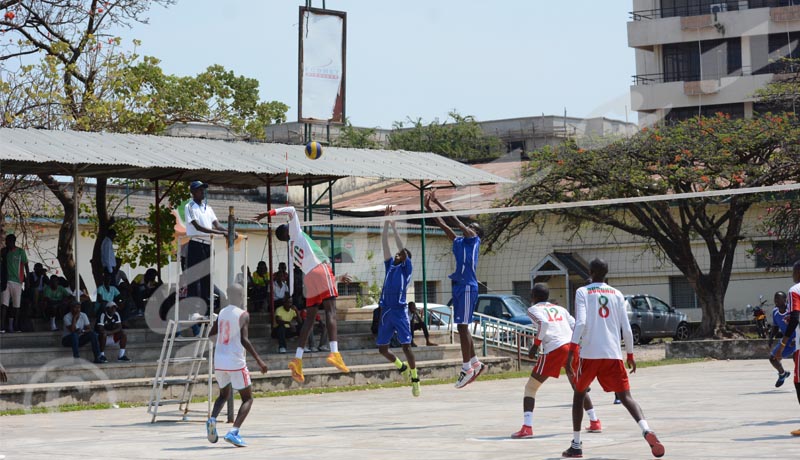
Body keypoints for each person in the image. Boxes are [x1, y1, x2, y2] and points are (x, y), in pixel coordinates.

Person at [563, 259, 664, 458]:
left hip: (590, 353)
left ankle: (576, 445)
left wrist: (571, 352)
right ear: (606, 273)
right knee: (626, 397)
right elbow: (626, 327)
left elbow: (581, 322)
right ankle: (646, 429)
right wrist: (631, 354)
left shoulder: (582, 292)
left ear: (590, 272)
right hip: (613, 354)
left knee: (579, 394)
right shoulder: (617, 294)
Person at [254, 206, 349, 383]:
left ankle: (297, 360)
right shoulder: (296, 234)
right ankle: (335, 352)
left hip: (309, 278)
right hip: (320, 270)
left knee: (310, 320)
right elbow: (291, 210)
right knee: (331, 312)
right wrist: (270, 213)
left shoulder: (292, 249)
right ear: (288, 230)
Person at [511, 283, 601, 439]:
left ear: (533, 297)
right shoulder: (561, 309)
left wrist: (535, 345)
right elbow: (575, 325)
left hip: (555, 348)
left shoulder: (533, 309)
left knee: (531, 388)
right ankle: (595, 421)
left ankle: (527, 427)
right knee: (578, 386)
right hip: (572, 348)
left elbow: (544, 324)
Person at [424, 190, 485, 388]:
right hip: (459, 286)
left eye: (472, 227)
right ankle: (475, 363)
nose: (468, 228)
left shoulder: (474, 240)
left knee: (462, 326)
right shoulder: (459, 242)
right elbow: (443, 224)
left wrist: (438, 202)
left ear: (476, 234)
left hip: (468, 286)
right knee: (461, 326)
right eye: (468, 227)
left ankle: (467, 367)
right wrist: (428, 208)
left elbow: (455, 221)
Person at [206, 283, 268, 447]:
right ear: (241, 297)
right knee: (248, 398)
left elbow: (211, 335)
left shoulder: (222, 313)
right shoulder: (243, 315)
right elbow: (244, 340)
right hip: (235, 361)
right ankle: (233, 432)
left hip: (219, 360)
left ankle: (212, 420)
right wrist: (259, 361)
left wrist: (222, 345)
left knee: (223, 395)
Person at [375, 205, 420, 397]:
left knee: (406, 346)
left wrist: (395, 227)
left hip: (400, 311)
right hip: (386, 310)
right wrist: (385, 222)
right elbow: (385, 243)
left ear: (405, 260)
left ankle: (415, 379)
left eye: (400, 255)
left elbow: (401, 247)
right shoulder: (389, 266)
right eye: (397, 254)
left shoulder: (405, 270)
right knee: (382, 349)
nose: (397, 254)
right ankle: (402, 367)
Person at [185, 181, 231, 309]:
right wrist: (220, 233)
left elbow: (217, 224)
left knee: (207, 276)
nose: (203, 192)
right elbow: (198, 227)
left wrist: (229, 232)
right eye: (200, 190)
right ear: (193, 192)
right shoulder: (189, 206)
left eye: (203, 189)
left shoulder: (208, 208)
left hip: (208, 244)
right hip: (196, 243)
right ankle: (194, 307)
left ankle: (207, 306)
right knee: (194, 276)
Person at [771, 260, 800, 436]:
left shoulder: (795, 290)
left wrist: (782, 344)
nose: (792, 275)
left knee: (798, 383)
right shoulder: (776, 312)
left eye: (793, 271)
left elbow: (795, 317)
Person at [1, 234, 30, 333]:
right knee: (4, 304)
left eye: (8, 241)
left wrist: (27, 280)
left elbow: (26, 265)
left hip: (18, 282)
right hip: (6, 281)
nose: (6, 243)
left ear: (13, 241)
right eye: (6, 241)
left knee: (16, 306)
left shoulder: (20, 252)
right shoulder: (4, 252)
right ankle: (2, 327)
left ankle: (15, 325)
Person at [768, 291, 795, 387]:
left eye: (778, 298)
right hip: (785, 341)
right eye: (775, 298)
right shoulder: (775, 312)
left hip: (797, 340)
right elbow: (775, 327)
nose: (776, 300)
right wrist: (771, 337)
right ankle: (783, 374)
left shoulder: (791, 311)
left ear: (785, 300)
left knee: (797, 360)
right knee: (773, 358)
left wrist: (796, 338)